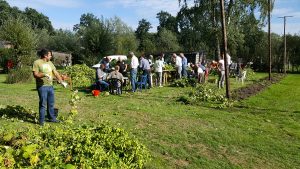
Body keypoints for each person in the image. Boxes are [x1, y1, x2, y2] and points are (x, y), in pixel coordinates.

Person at [32, 48, 63, 126]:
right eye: (50, 55)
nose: (51, 56)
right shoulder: (37, 62)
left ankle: (52, 118)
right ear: (45, 55)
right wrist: (44, 74)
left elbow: (55, 72)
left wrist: (60, 80)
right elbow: (35, 75)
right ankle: (41, 121)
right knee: (43, 104)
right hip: (42, 87)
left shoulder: (50, 63)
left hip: (50, 86)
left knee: (51, 103)